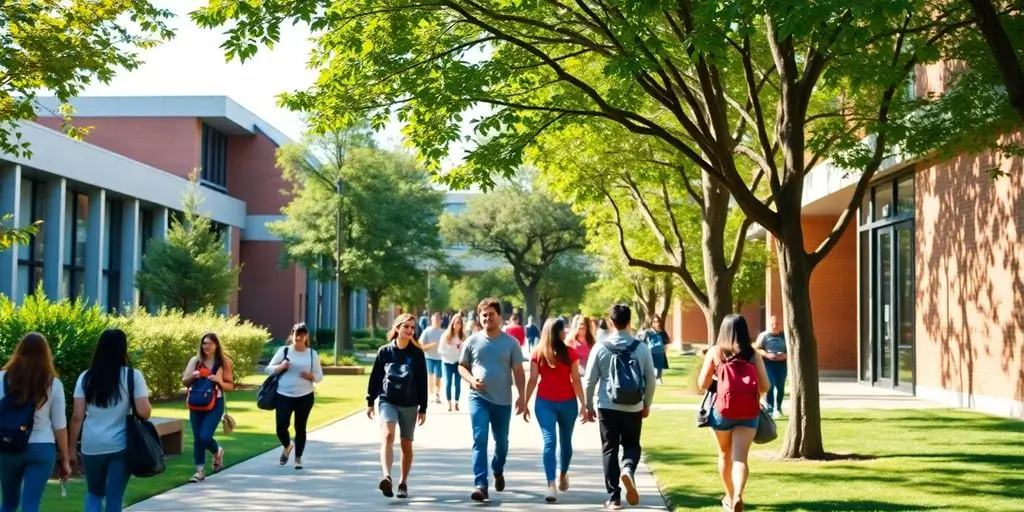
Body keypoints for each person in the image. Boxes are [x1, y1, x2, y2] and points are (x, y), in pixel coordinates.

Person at [69, 328, 152, 512]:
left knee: (94, 493)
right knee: (114, 497)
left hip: (91, 445)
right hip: (120, 445)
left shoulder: (86, 377)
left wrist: (70, 448)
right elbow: (144, 413)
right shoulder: (132, 376)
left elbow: (77, 417)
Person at [584, 304, 657, 510]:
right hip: (633, 406)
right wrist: (647, 403)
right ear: (629, 321)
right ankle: (628, 468)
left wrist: (589, 406)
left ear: (610, 321)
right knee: (632, 445)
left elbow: (589, 380)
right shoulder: (640, 347)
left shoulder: (600, 347)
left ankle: (614, 497)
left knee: (609, 448)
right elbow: (650, 380)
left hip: (607, 405)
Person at [698, 314, 770, 512]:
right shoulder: (753, 354)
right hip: (748, 413)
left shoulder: (716, 352)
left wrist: (719, 383)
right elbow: (765, 386)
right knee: (740, 458)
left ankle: (730, 498)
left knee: (724, 454)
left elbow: (701, 383)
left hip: (722, 411)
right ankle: (738, 494)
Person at [459, 297, 527, 502]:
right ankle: (481, 484)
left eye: (491, 314)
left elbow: (518, 371)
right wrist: (471, 380)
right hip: (478, 398)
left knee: (502, 443)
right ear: (479, 317)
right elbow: (462, 366)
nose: (487, 317)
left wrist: (522, 397)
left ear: (499, 316)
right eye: (484, 314)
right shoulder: (472, 340)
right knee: (479, 439)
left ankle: (497, 468)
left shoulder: (511, 343)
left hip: (503, 401)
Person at [0, 333, 71, 512]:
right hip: (42, 446)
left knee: (8, 502)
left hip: (8, 445)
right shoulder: (53, 384)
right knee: (31, 505)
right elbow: (60, 426)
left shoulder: (1, 378)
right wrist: (65, 458)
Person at [523, 318, 588, 503]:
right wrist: (525, 402)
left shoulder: (570, 353)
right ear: (558, 332)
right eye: (563, 330)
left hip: (568, 403)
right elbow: (533, 380)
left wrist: (583, 405)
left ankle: (563, 474)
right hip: (545, 404)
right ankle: (551, 485)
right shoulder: (538, 353)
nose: (565, 333)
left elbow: (576, 380)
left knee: (566, 444)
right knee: (549, 442)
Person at [366, 314, 428, 499]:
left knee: (406, 444)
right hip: (388, 401)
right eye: (406, 327)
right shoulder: (384, 352)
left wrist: (423, 408)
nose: (410, 330)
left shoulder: (417, 354)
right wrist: (370, 401)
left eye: (412, 327)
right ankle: (386, 477)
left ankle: (403, 483)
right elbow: (376, 377)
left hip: (410, 404)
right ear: (397, 328)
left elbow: (422, 381)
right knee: (387, 436)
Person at [266, 323, 323, 470]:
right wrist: (280, 367)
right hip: (283, 394)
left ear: (307, 337)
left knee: (300, 427)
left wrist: (311, 376)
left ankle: (298, 459)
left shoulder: (312, 354)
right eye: (297, 334)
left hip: (305, 396)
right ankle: (287, 445)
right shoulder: (284, 351)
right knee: (281, 427)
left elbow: (319, 376)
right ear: (292, 335)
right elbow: (268, 369)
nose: (299, 337)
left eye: (303, 335)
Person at [180, 332, 234, 482]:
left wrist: (219, 381)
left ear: (216, 345)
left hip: (215, 404)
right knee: (198, 438)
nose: (206, 346)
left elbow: (230, 386)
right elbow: (184, 381)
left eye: (209, 343)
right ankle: (199, 471)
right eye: (204, 343)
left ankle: (217, 450)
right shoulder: (195, 361)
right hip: (196, 403)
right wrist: (193, 376)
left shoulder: (224, 363)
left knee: (204, 436)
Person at [753, 315, 787, 418]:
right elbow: (757, 349)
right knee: (770, 385)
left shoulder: (785, 336)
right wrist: (768, 355)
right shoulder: (764, 336)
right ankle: (770, 408)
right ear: (768, 325)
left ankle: (779, 408)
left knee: (780, 387)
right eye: (772, 324)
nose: (774, 326)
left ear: (780, 325)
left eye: (777, 324)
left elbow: (791, 349)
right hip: (768, 364)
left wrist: (786, 355)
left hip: (781, 365)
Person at [438, 312, 466, 411]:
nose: (457, 324)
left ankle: (457, 402)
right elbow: (440, 350)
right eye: (456, 322)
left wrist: (460, 349)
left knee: (457, 383)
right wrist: (452, 348)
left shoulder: (463, 336)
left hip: (458, 363)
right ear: (452, 323)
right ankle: (449, 403)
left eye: (459, 322)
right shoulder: (446, 336)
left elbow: (466, 350)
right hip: (447, 362)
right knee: (448, 383)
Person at [418, 312, 445, 405]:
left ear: (441, 321)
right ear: (431, 320)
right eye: (435, 319)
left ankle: (437, 394)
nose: (437, 321)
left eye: (438, 319)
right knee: (430, 376)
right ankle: (431, 394)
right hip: (429, 357)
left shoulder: (443, 332)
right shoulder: (427, 331)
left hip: (440, 358)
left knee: (438, 376)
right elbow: (420, 344)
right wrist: (431, 345)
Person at [641, 316, 671, 384]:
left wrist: (665, 352)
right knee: (650, 369)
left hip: (660, 353)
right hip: (650, 352)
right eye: (654, 321)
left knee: (659, 368)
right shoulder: (647, 332)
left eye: (657, 321)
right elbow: (642, 342)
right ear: (651, 323)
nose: (656, 323)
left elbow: (665, 343)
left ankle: (659, 378)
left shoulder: (662, 333)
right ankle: (650, 379)